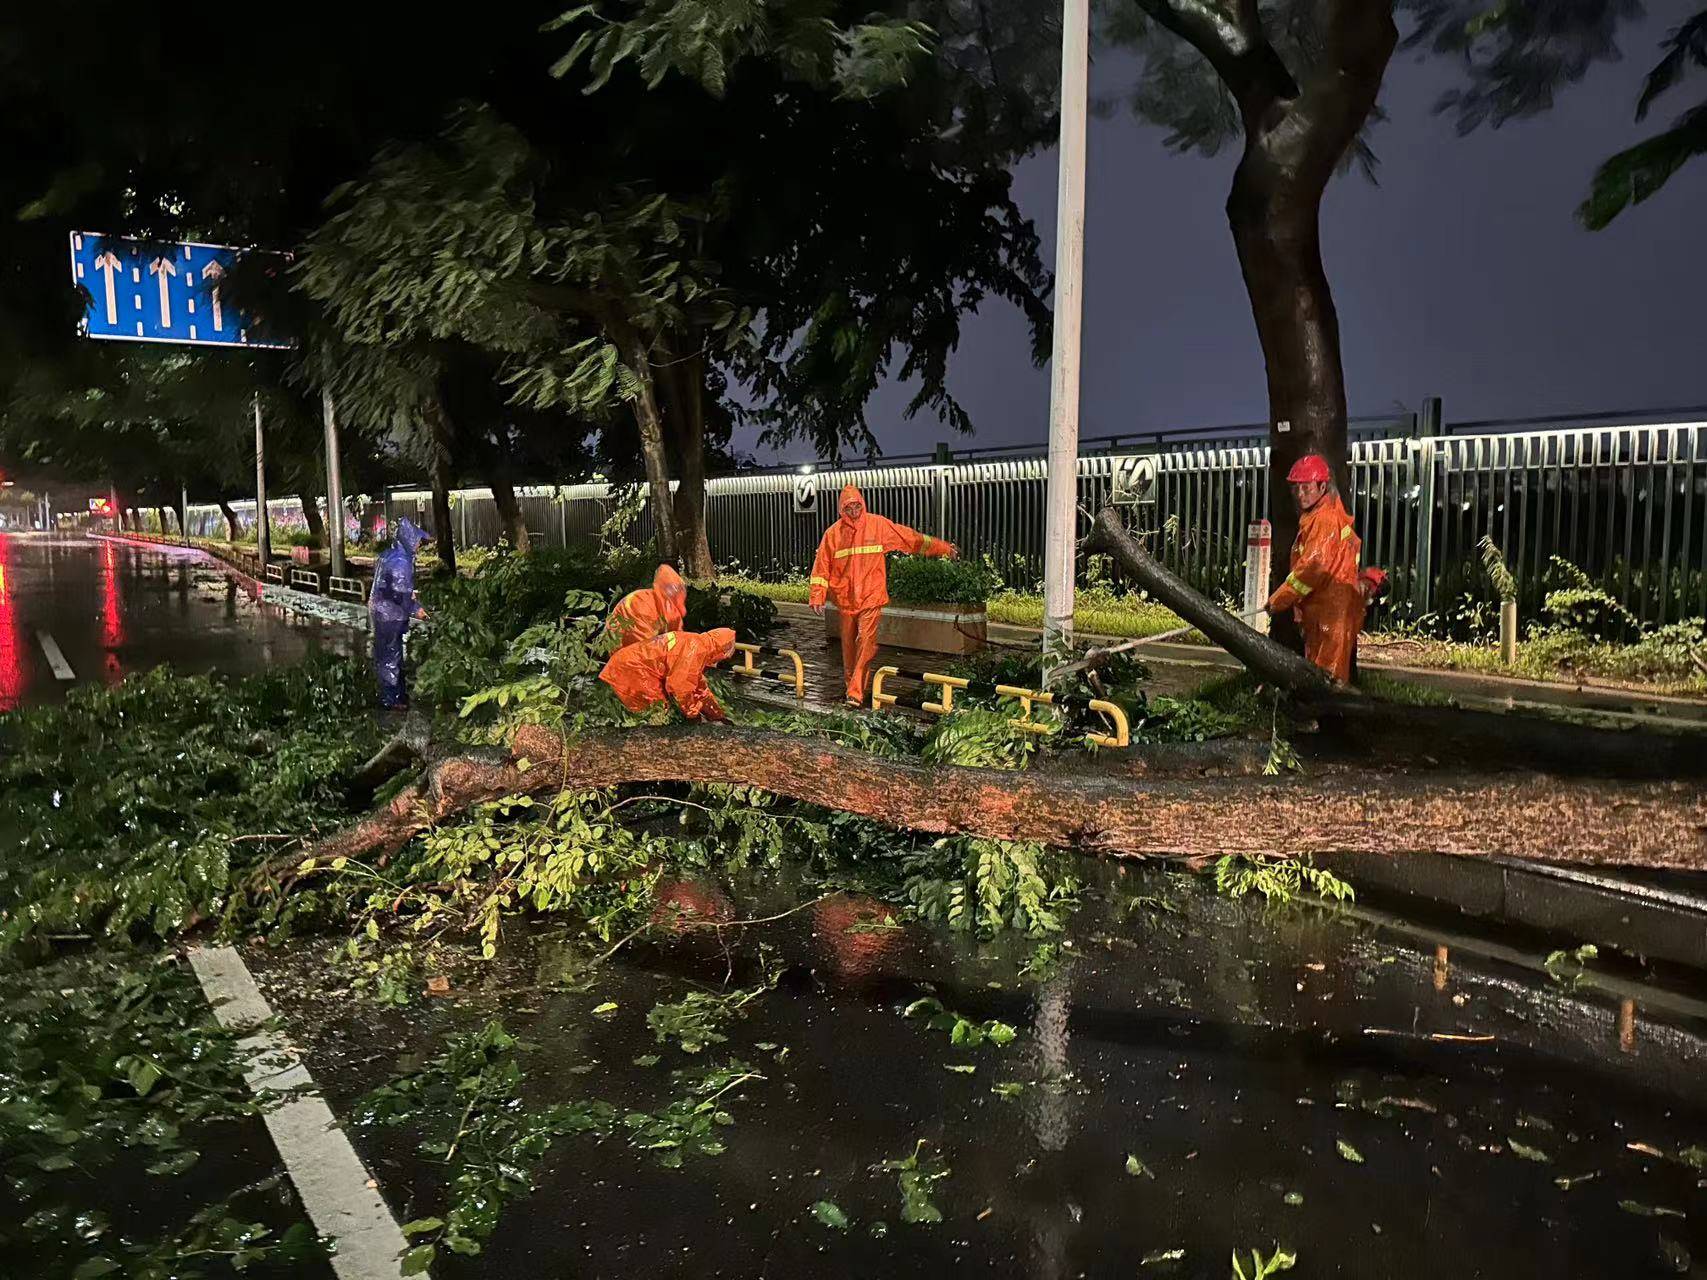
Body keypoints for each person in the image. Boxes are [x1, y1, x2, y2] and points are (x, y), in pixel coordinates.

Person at [807, 484, 958, 706]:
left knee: (865, 643)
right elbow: (822, 567)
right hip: (845, 601)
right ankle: (852, 687)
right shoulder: (832, 535)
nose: (854, 510)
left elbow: (911, 539)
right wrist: (817, 594)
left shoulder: (878, 525)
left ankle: (856, 692)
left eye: (857, 505)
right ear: (841, 508)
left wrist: (943, 548)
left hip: (871, 597)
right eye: (849, 507)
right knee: (849, 648)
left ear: (863, 504)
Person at [1265, 455, 1366, 683]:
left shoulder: (1324, 520)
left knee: (1327, 677)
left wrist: (1279, 600)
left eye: (1306, 488)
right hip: (1326, 607)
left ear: (1322, 486)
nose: (1301, 494)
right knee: (1322, 672)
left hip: (1330, 611)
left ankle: (1330, 717)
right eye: (1297, 488)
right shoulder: (1323, 515)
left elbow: (1312, 567)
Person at [598, 627, 738, 722]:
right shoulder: (696, 650)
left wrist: (717, 716)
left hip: (629, 664)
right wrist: (693, 715)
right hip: (632, 670)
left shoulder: (696, 643)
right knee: (656, 714)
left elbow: (699, 688)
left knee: (660, 711)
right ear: (720, 650)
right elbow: (680, 686)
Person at [371, 517, 430, 709]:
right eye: (418, 541)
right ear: (409, 539)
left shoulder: (390, 554)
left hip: (381, 612)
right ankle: (391, 699)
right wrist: (416, 609)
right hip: (390, 615)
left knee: (387, 653)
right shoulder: (401, 562)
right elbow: (400, 594)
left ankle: (396, 694)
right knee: (391, 656)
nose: (420, 545)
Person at [607, 563, 688, 649]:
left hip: (643, 645)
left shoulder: (674, 611)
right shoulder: (641, 605)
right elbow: (641, 648)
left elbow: (678, 639)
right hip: (619, 650)